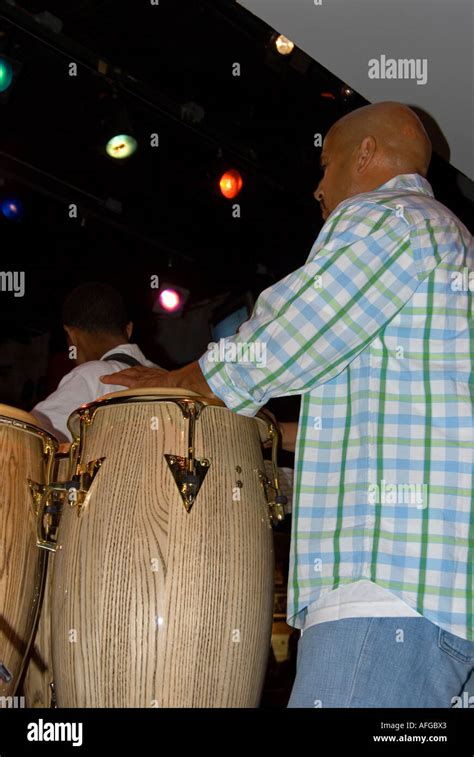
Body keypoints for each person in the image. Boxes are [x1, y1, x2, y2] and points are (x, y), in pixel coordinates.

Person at [101, 101, 474, 708]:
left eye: (325, 165)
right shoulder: (452, 245)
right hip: (446, 595)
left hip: (387, 588)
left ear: (367, 155)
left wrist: (184, 380)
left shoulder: (386, 218)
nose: (318, 186)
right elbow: (395, 413)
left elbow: (288, 336)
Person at [32, 282, 156, 442]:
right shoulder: (167, 378)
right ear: (129, 330)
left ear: (72, 334)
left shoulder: (91, 375)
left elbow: (33, 434)